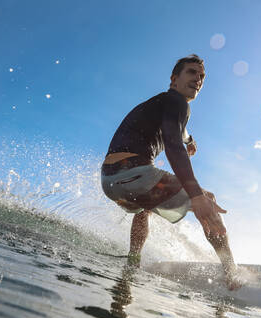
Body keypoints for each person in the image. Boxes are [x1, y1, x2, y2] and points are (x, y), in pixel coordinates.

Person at [101, 54, 241, 290]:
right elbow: (173, 143)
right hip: (134, 172)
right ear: (174, 79)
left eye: (202, 76)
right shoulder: (178, 103)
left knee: (145, 209)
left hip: (110, 180)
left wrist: (190, 139)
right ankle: (232, 273)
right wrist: (196, 195)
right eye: (192, 73)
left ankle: (133, 260)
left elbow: (180, 133)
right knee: (208, 200)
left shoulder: (163, 105)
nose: (198, 79)